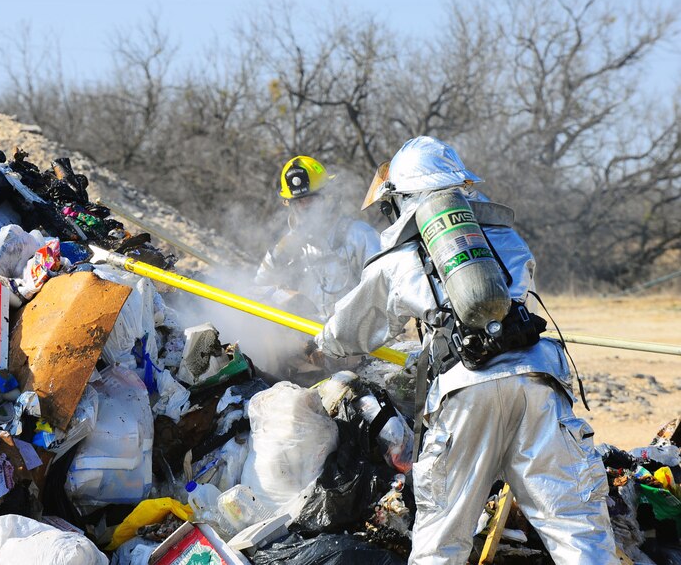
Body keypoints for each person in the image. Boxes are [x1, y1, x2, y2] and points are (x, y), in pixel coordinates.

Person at [315, 136, 618, 564]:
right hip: (538, 381)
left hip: (465, 389)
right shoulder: (505, 236)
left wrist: (321, 343)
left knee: (442, 539)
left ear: (403, 197)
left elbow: (353, 328)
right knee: (575, 527)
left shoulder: (400, 257)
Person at [254, 155, 381, 321]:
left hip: (353, 341)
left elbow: (384, 291)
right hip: (306, 340)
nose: (305, 208)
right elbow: (258, 287)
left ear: (329, 197)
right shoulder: (288, 246)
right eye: (299, 202)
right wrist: (278, 261)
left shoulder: (359, 236)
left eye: (310, 200)